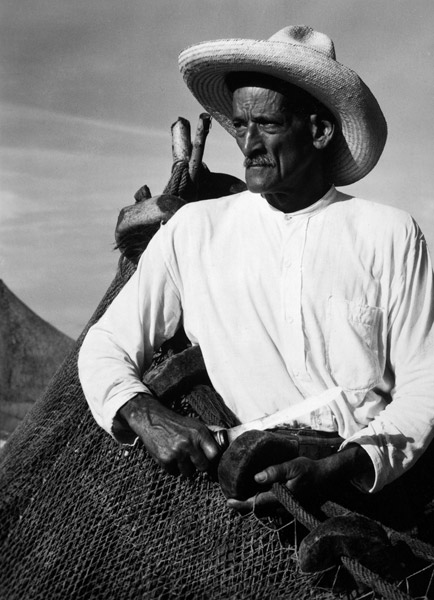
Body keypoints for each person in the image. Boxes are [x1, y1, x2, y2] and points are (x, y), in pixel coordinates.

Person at [78, 26, 434, 515]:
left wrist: (348, 463)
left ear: (319, 131)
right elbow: (105, 345)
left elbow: (424, 384)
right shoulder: (194, 231)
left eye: (266, 124)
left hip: (373, 484)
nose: (248, 144)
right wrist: (145, 414)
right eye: (240, 125)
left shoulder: (389, 234)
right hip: (244, 485)